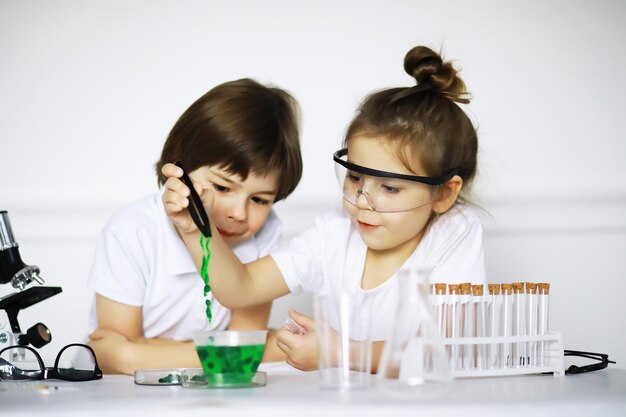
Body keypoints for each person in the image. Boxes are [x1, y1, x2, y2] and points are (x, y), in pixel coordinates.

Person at [161, 45, 486, 372]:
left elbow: (447, 348)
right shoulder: (334, 235)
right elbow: (240, 288)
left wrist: (342, 352)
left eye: (389, 187)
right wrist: (194, 229)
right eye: (355, 177)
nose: (362, 201)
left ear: (445, 193)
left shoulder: (454, 233)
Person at [86, 78, 303, 374]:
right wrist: (257, 347)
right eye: (223, 188)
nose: (239, 213)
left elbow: (243, 349)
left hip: (210, 389)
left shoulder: (266, 234)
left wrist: (134, 354)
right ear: (179, 167)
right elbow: (109, 358)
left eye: (260, 199)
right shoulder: (133, 232)